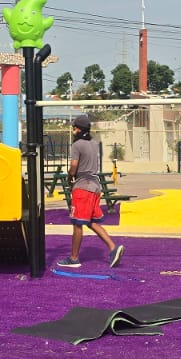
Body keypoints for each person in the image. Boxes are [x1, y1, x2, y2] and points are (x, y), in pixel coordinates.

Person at [58, 113, 124, 268]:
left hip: (83, 186)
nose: (73, 130)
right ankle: (113, 247)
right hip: (95, 185)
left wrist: (70, 178)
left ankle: (74, 258)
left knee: (77, 223)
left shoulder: (77, 145)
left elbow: (74, 166)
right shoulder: (94, 143)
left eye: (74, 128)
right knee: (91, 221)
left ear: (78, 129)